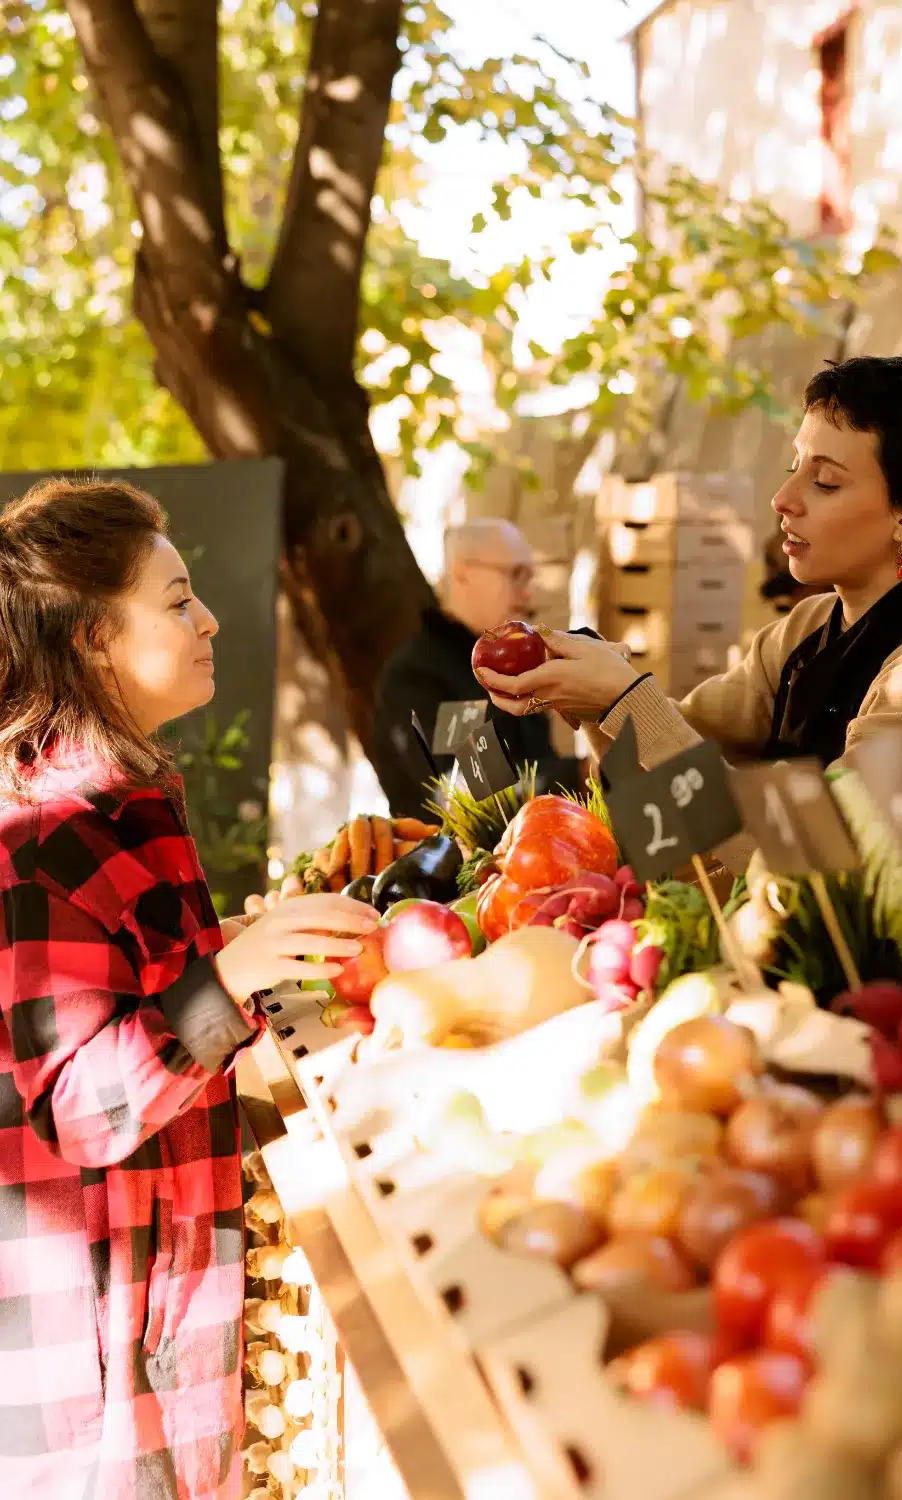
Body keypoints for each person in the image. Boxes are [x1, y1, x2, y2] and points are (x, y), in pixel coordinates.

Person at [0, 479, 377, 1500]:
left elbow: (148, 1016)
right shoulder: (39, 835)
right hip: (95, 1360)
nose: (207, 619)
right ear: (88, 638)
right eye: (174, 602)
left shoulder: (118, 800)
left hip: (150, 1313)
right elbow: (77, 1107)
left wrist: (250, 965)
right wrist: (235, 974)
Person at [475, 356, 902, 869]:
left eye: (826, 482)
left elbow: (820, 863)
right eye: (794, 467)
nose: (782, 499)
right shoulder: (806, 629)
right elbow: (677, 758)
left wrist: (624, 701)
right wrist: (593, 703)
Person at [371, 517, 581, 816]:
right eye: (516, 575)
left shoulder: (513, 669)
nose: (528, 595)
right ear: (462, 575)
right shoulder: (421, 674)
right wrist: (583, 774)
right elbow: (474, 791)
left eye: (530, 578)